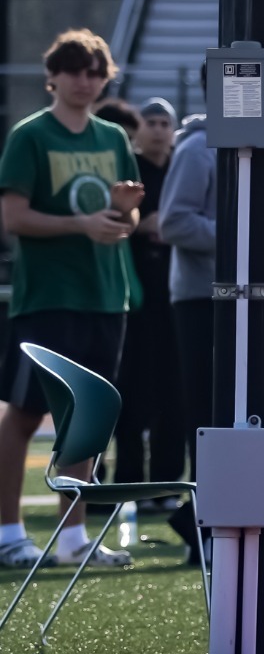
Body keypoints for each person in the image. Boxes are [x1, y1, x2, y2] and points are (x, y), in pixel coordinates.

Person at [0, 30, 143, 570]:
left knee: (88, 419)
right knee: (24, 414)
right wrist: (81, 224)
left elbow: (126, 220)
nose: (85, 81)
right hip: (47, 299)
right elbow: (13, 218)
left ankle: (74, 538)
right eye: (75, 71)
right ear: (52, 76)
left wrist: (124, 211)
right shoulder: (30, 135)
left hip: (107, 297)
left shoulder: (113, 138)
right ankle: (8, 533)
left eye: (95, 72)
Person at [109, 97, 184, 501]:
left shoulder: (182, 168)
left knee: (174, 393)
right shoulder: (128, 171)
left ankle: (167, 485)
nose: (157, 130)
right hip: (135, 300)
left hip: (176, 299)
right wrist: (140, 225)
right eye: (150, 122)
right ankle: (128, 481)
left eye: (164, 123)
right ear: (138, 130)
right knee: (131, 393)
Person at [157, 110, 214, 560]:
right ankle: (204, 523)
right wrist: (243, 235)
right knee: (208, 415)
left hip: (252, 299)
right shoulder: (198, 147)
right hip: (203, 299)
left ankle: (211, 518)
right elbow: (172, 223)